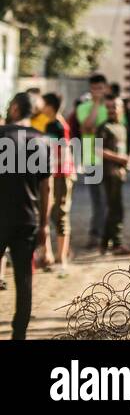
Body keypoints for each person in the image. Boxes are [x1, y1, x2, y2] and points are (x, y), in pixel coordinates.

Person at [0, 92, 53, 339]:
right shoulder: (42, 140)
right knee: (24, 279)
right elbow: (47, 188)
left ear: (14, 109)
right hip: (27, 219)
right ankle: (18, 333)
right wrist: (44, 225)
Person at [70, 73, 111, 250]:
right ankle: (95, 235)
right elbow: (87, 126)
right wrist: (95, 105)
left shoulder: (112, 106)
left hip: (112, 159)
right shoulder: (84, 107)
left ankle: (108, 235)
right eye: (94, 89)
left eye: (100, 88)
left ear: (106, 88)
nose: (97, 92)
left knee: (111, 200)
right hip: (91, 159)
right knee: (98, 200)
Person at [36, 93, 75, 272]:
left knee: (59, 214)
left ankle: (61, 259)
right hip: (61, 173)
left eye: (43, 104)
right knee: (55, 214)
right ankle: (57, 255)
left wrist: (51, 171)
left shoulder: (55, 125)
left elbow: (61, 150)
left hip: (61, 174)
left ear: (50, 106)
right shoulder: (58, 122)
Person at [98, 98, 130, 256]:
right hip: (109, 173)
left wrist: (124, 165)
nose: (112, 110)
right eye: (109, 107)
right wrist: (119, 159)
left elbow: (125, 151)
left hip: (120, 173)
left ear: (122, 108)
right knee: (115, 209)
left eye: (115, 106)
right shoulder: (104, 127)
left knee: (115, 208)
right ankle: (116, 244)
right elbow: (98, 150)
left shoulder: (123, 127)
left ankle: (106, 244)